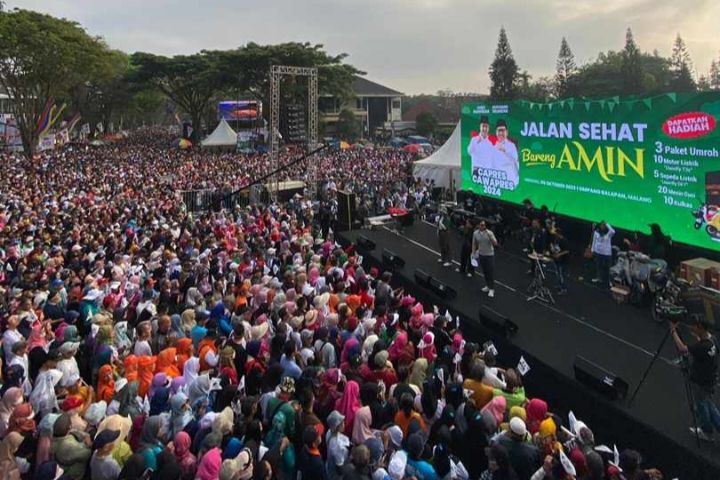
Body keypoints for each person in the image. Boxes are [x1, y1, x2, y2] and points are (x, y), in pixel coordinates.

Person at [671, 316, 720, 442]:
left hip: (701, 381)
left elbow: (683, 349)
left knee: (702, 406)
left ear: (701, 328)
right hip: (710, 379)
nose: (692, 328)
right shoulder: (712, 340)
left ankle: (706, 431)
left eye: (695, 326)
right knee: (708, 404)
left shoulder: (702, 347)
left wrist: (673, 331)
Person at [472, 220, 498, 298]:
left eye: (483, 225)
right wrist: (473, 253)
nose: (481, 226)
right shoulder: (475, 233)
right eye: (480, 225)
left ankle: (492, 289)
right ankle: (488, 286)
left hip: (489, 255)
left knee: (490, 272)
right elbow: (474, 243)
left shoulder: (490, 233)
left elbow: (495, 244)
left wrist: (490, 237)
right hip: (481, 254)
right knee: (485, 271)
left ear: (485, 226)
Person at [591, 221, 615, 289]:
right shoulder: (597, 232)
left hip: (607, 254)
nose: (602, 226)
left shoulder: (608, 233)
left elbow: (613, 231)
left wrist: (607, 224)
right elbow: (594, 241)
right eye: (601, 225)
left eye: (604, 225)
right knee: (598, 266)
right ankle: (599, 278)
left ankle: (609, 281)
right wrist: (593, 250)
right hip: (598, 252)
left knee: (608, 268)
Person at [548, 229, 570, 295]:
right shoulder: (556, 239)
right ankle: (559, 284)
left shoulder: (564, 241)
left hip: (563, 261)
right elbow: (555, 247)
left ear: (558, 234)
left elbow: (567, 251)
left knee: (562, 275)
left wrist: (559, 254)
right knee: (558, 273)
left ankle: (564, 288)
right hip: (557, 260)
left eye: (555, 234)